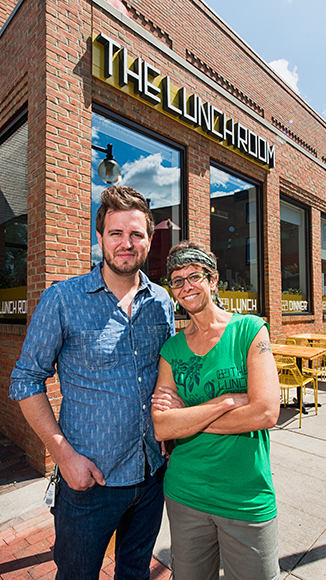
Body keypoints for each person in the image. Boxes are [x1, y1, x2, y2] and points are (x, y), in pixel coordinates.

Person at [9, 185, 175, 580]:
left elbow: (166, 374)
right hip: (89, 484)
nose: (125, 243)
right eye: (116, 233)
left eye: (136, 234)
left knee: (134, 573)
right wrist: (64, 456)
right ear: (99, 238)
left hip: (151, 475)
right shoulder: (63, 299)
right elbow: (25, 380)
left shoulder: (163, 302)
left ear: (149, 241)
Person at [151, 240, 281, 580]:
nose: (186, 286)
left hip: (246, 496)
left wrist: (187, 419)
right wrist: (225, 403)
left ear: (213, 280)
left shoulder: (249, 331)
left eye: (194, 276)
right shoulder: (172, 349)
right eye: (177, 280)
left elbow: (266, 412)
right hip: (185, 494)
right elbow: (162, 427)